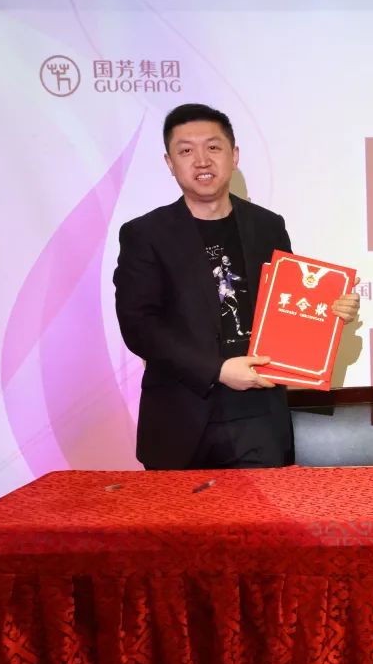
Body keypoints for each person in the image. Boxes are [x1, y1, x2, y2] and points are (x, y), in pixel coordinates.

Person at [114, 103, 360, 469]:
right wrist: (217, 370)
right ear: (169, 163)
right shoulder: (145, 234)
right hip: (179, 418)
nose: (202, 160)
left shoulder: (268, 226)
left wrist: (329, 311)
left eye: (213, 147)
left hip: (258, 415)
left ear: (235, 156)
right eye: (186, 150)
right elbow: (139, 327)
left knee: (262, 509)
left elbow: (286, 305)